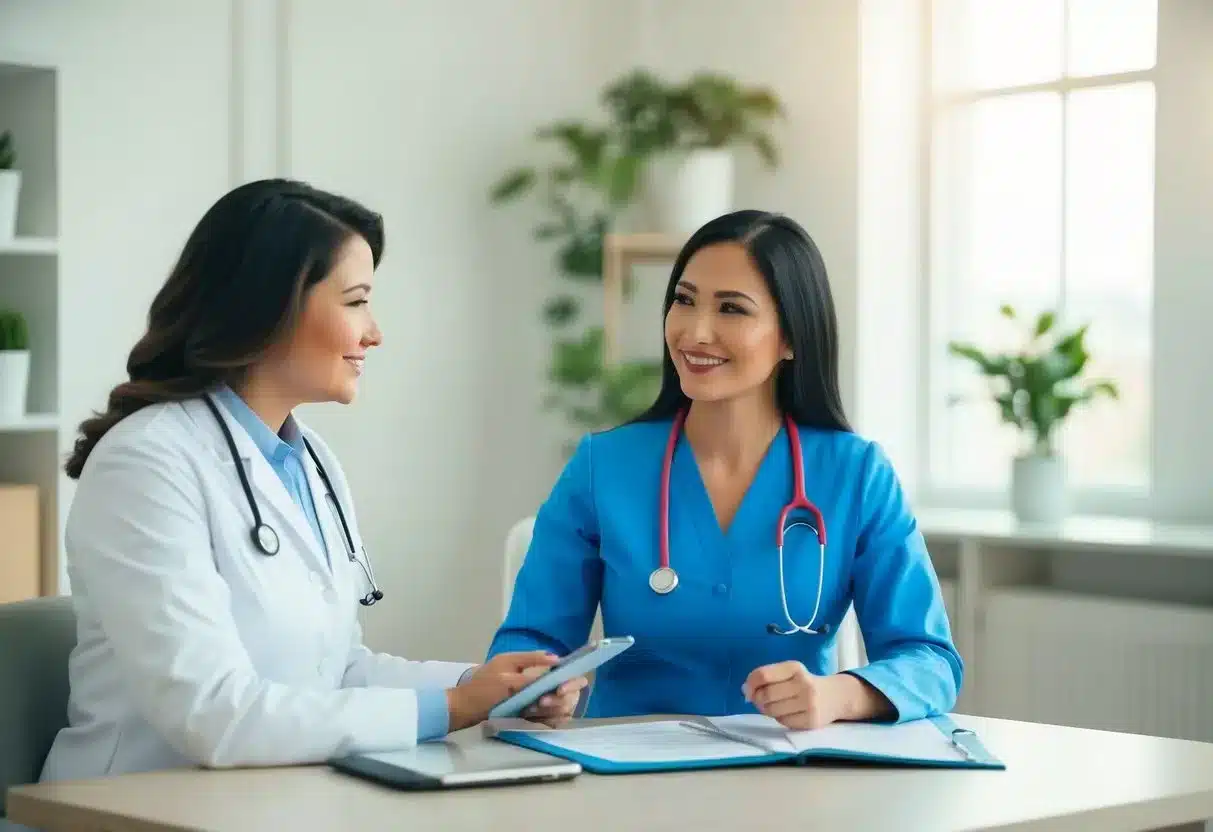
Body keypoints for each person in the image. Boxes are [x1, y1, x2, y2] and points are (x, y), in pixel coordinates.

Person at [40, 178, 583, 782]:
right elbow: (212, 714)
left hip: (270, 799)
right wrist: (452, 709)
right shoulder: (145, 464)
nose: (374, 333)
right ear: (270, 306)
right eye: (356, 302)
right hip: (129, 807)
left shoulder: (311, 459)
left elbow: (336, 670)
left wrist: (485, 686)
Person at [487, 210, 962, 730]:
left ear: (791, 338)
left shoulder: (856, 475)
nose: (696, 331)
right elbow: (526, 643)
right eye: (684, 301)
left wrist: (838, 696)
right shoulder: (604, 468)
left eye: (732, 309)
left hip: (792, 782)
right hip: (628, 781)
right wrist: (536, 685)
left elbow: (930, 661)